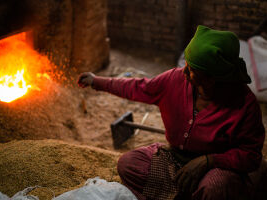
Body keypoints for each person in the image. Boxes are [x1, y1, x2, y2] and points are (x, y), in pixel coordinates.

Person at [77, 25, 265, 200]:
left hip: (215, 168)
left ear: (213, 79)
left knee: (214, 188)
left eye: (191, 70)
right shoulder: (175, 80)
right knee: (129, 164)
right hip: (176, 159)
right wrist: (97, 81)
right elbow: (138, 87)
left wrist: (208, 160)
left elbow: (251, 156)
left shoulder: (243, 104)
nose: (183, 72)